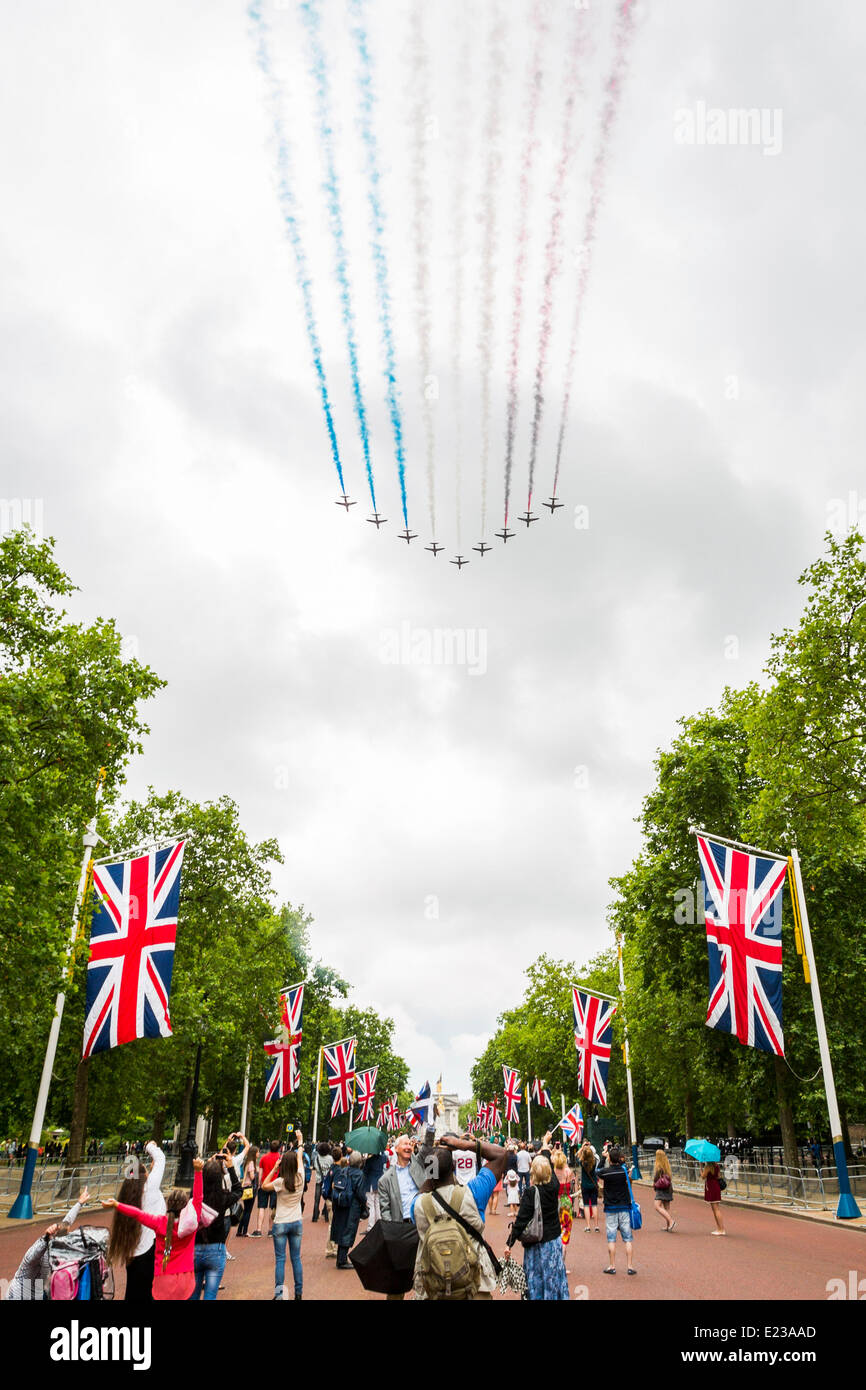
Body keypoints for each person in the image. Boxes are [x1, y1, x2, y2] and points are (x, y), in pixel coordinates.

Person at [411, 1133, 508, 1300]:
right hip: (474, 1283)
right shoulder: (474, 1193)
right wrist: (462, 1144)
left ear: (430, 1172)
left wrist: (433, 1162)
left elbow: (427, 1185)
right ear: (454, 1166)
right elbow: (501, 1155)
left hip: (433, 1287)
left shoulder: (418, 1204)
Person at [104, 1160, 205, 1300]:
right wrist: (198, 1172)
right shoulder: (192, 1225)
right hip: (185, 1279)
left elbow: (137, 1214)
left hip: (162, 1279)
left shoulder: (160, 1223)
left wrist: (117, 1204)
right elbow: (198, 1198)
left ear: (167, 1205)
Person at [505, 1152, 569, 1300]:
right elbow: (550, 1166)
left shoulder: (531, 1192)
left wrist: (509, 1243)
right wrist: (546, 1143)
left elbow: (521, 1221)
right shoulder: (554, 1185)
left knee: (537, 1280)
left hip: (537, 1245)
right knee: (553, 1277)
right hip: (554, 1241)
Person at [107, 1141, 166, 1300]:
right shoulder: (149, 1189)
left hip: (133, 1249)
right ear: (145, 1176)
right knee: (148, 1292)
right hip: (150, 1249)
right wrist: (150, 1146)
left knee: (133, 1290)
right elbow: (161, 1158)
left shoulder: (128, 1195)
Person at [4, 1190, 89, 1300]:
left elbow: (67, 1222)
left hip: (38, 1292)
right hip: (19, 1294)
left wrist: (79, 1203)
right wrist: (46, 1236)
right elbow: (34, 1253)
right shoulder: (36, 1256)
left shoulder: (56, 1250)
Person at [377, 1133, 428, 1300]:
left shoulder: (418, 1165)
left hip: (421, 1226)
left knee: (428, 1272)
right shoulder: (385, 1180)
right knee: (397, 1279)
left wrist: (431, 1123)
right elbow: (385, 1210)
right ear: (396, 1149)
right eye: (405, 1144)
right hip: (401, 1230)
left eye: (410, 1144)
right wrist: (393, 1234)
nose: (408, 1146)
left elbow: (427, 1146)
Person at [189, 1150, 242, 1299]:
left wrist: (201, 1170)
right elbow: (238, 1190)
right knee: (210, 1295)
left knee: (193, 1293)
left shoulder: (196, 1197)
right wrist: (230, 1167)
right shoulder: (223, 1196)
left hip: (196, 1247)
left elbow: (194, 1190)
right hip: (216, 1248)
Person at [261, 1148, 304, 1300]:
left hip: (280, 1222)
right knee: (296, 1258)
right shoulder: (301, 1177)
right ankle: (298, 1293)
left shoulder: (280, 1182)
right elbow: (299, 1158)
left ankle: (279, 1295)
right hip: (296, 1221)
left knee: (280, 1259)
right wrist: (299, 1142)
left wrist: (274, 1168)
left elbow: (264, 1185)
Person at [596, 1145, 636, 1274]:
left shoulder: (606, 1172)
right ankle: (630, 1266)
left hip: (610, 1207)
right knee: (628, 1238)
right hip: (624, 1206)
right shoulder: (623, 1171)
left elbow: (597, 1170)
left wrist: (603, 1158)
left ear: (610, 1158)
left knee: (611, 1238)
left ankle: (612, 1265)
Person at [329, 1150, 368, 1269]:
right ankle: (342, 1260)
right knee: (348, 1231)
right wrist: (364, 1204)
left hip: (341, 1203)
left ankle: (341, 1258)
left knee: (341, 1229)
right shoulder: (359, 1174)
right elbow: (360, 1193)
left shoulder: (344, 1170)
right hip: (352, 1206)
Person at [252, 1141, 281, 1237]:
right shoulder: (280, 1158)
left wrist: (260, 1184)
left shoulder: (264, 1157)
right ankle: (270, 1230)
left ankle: (259, 1229)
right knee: (272, 1208)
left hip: (264, 1184)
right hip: (275, 1185)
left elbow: (260, 1172)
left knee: (261, 1207)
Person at [552, 1149, 574, 1252]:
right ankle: (562, 1263)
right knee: (565, 1231)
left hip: (554, 1201)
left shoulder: (552, 1172)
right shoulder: (568, 1172)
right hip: (566, 1201)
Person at [236, 1145, 258, 1237]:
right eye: (257, 1152)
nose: (258, 1153)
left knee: (245, 1210)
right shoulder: (251, 1163)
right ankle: (245, 1231)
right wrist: (257, 1175)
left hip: (245, 1187)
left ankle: (239, 1230)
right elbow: (252, 1176)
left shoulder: (247, 1162)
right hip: (249, 1188)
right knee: (248, 1211)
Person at [577, 1141, 600, 1232]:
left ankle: (588, 1226)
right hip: (593, 1184)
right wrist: (589, 1147)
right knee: (594, 1205)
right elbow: (593, 1154)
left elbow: (578, 1154)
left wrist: (582, 1147)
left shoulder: (582, 1162)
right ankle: (596, 1226)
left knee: (586, 1205)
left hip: (585, 1185)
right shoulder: (594, 1161)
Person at [652, 1149, 676, 1231]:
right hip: (668, 1188)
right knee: (666, 1207)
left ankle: (671, 1221)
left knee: (657, 1206)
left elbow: (656, 1179)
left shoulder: (659, 1167)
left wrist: (654, 1184)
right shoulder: (666, 1166)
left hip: (661, 1188)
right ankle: (668, 1225)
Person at [363, 1149, 386, 1229]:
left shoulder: (370, 1160)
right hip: (379, 1183)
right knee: (377, 1204)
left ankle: (371, 1226)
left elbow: (365, 1171)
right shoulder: (382, 1157)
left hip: (371, 1184)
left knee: (371, 1205)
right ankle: (379, 1224)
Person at [311, 1141, 334, 1224]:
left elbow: (315, 1167)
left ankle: (315, 1217)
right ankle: (327, 1217)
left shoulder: (317, 1157)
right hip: (327, 1181)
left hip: (318, 1180)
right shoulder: (331, 1158)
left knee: (316, 1199)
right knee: (327, 1198)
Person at [702, 1160, 725, 1234]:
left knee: (716, 1209)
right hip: (716, 1186)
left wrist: (700, 1169)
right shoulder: (716, 1165)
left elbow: (703, 1176)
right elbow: (718, 1176)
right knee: (715, 1209)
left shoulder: (708, 1167)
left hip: (711, 1187)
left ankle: (721, 1229)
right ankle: (719, 1228)